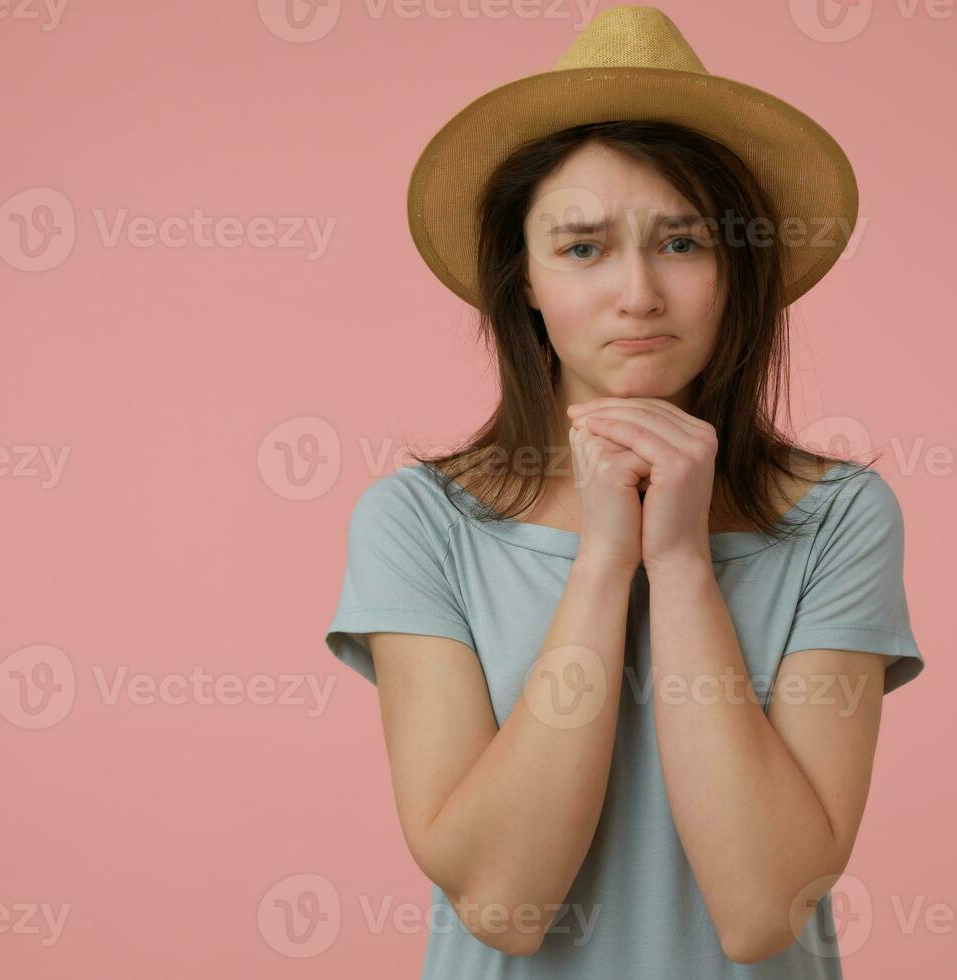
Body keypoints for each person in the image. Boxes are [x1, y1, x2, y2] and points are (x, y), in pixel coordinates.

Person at [325, 6, 925, 976]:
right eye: (583, 246)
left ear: (736, 269)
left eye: (682, 242)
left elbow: (765, 903)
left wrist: (681, 560)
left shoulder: (837, 519)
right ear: (523, 277)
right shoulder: (421, 524)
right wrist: (606, 557)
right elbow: (502, 899)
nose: (638, 292)